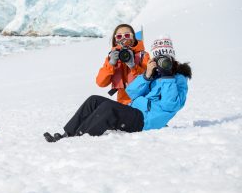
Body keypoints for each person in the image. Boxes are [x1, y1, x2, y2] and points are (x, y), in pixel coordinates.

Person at [44, 37, 192, 142]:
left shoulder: (178, 79)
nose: (162, 62)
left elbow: (170, 106)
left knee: (109, 109)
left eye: (165, 58)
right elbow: (132, 92)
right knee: (94, 100)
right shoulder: (153, 74)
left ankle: (80, 138)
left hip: (146, 121)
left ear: (172, 58)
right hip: (134, 111)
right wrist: (147, 76)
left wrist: (167, 77)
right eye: (158, 58)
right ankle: (68, 134)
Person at [96, 24, 150, 105]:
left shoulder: (143, 55)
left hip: (141, 100)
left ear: (133, 37)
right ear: (115, 39)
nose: (123, 39)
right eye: (119, 36)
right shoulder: (112, 57)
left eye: (127, 35)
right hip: (122, 103)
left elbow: (150, 79)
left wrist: (133, 66)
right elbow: (101, 83)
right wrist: (111, 64)